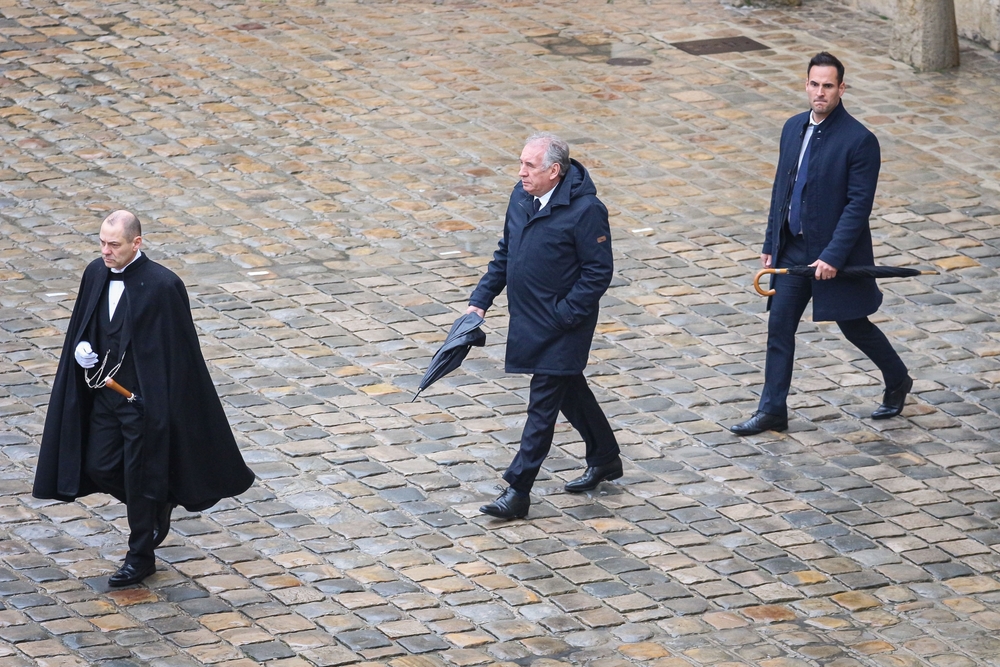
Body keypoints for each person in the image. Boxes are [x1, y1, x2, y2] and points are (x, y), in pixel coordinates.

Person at [34, 211, 255, 587]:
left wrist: (161, 406)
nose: (105, 251)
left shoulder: (163, 285)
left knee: (138, 476)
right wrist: (82, 346)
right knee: (100, 466)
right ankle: (156, 505)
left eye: (114, 244)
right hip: (104, 395)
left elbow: (180, 353)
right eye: (102, 243)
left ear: (136, 243)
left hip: (142, 402)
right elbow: (86, 322)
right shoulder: (95, 272)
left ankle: (140, 557)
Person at [731, 52, 912, 437]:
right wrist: (771, 241)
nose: (820, 93)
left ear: (841, 89)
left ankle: (898, 378)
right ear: (806, 84)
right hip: (793, 249)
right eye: (814, 84)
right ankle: (772, 410)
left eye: (828, 86)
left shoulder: (860, 141)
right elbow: (782, 189)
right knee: (779, 326)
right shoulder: (792, 127)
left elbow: (858, 207)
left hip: (834, 255)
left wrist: (832, 256)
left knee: (854, 325)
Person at [467, 133, 622, 520]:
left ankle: (518, 490)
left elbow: (598, 271)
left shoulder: (587, 211)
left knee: (543, 405)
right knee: (570, 391)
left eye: (529, 165)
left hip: (564, 326)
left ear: (554, 171)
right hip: (530, 320)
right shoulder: (520, 198)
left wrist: (565, 315)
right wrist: (479, 302)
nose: (521, 172)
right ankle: (605, 457)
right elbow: (506, 253)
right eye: (520, 163)